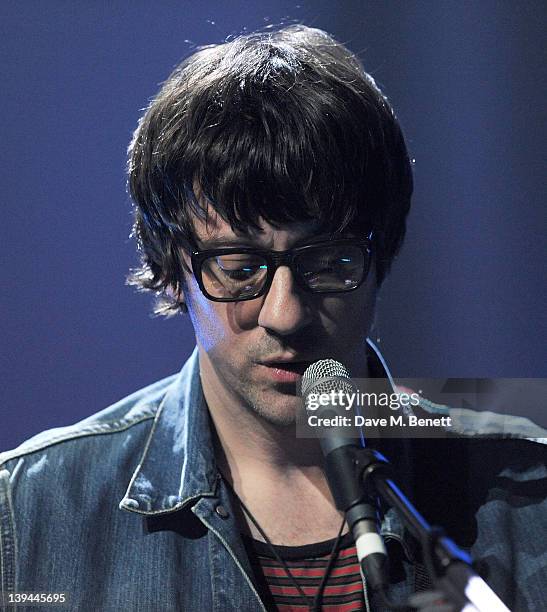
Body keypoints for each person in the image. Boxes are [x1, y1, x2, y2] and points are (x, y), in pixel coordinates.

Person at [0, 25, 545, 612]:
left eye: (329, 261)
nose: (286, 314)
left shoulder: (530, 499)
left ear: (380, 253)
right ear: (173, 266)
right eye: (239, 268)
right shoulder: (31, 511)